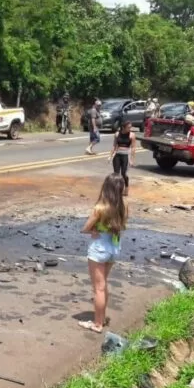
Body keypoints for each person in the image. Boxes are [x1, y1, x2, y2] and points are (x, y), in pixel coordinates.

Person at [79, 173, 128, 334]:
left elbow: (85, 228)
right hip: (114, 245)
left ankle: (97, 323)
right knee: (103, 284)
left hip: (99, 246)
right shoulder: (124, 206)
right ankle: (102, 317)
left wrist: (92, 230)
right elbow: (120, 225)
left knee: (98, 288)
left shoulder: (100, 208)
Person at [108, 120, 137, 196]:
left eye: (130, 127)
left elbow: (133, 148)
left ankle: (126, 188)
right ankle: (116, 190)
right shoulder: (117, 134)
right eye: (128, 127)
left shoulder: (132, 135)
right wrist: (110, 156)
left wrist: (131, 160)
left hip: (126, 155)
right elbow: (114, 146)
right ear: (123, 127)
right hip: (117, 155)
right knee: (116, 174)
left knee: (124, 173)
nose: (129, 129)